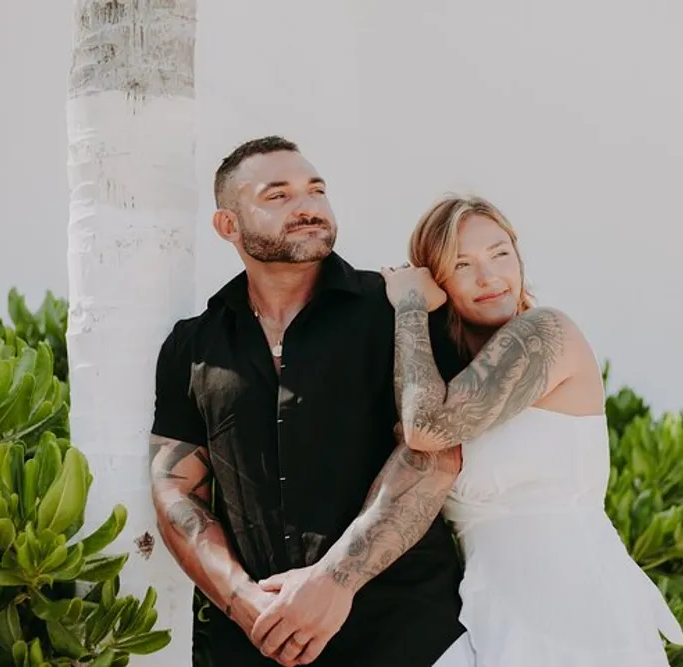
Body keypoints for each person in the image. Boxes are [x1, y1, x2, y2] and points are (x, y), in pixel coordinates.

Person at [148, 136, 475, 666]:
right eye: (277, 196)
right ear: (227, 225)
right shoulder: (193, 344)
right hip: (258, 645)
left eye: (315, 190)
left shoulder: (396, 308)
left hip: (405, 638)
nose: (306, 207)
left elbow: (434, 454)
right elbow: (175, 488)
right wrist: (244, 602)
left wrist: (333, 583)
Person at [380, 195, 683, 666]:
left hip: (577, 605)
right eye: (462, 264)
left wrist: (408, 304)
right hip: (490, 611)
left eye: (500, 253)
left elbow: (425, 427)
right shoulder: (449, 376)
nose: (489, 277)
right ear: (437, 280)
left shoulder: (547, 333)